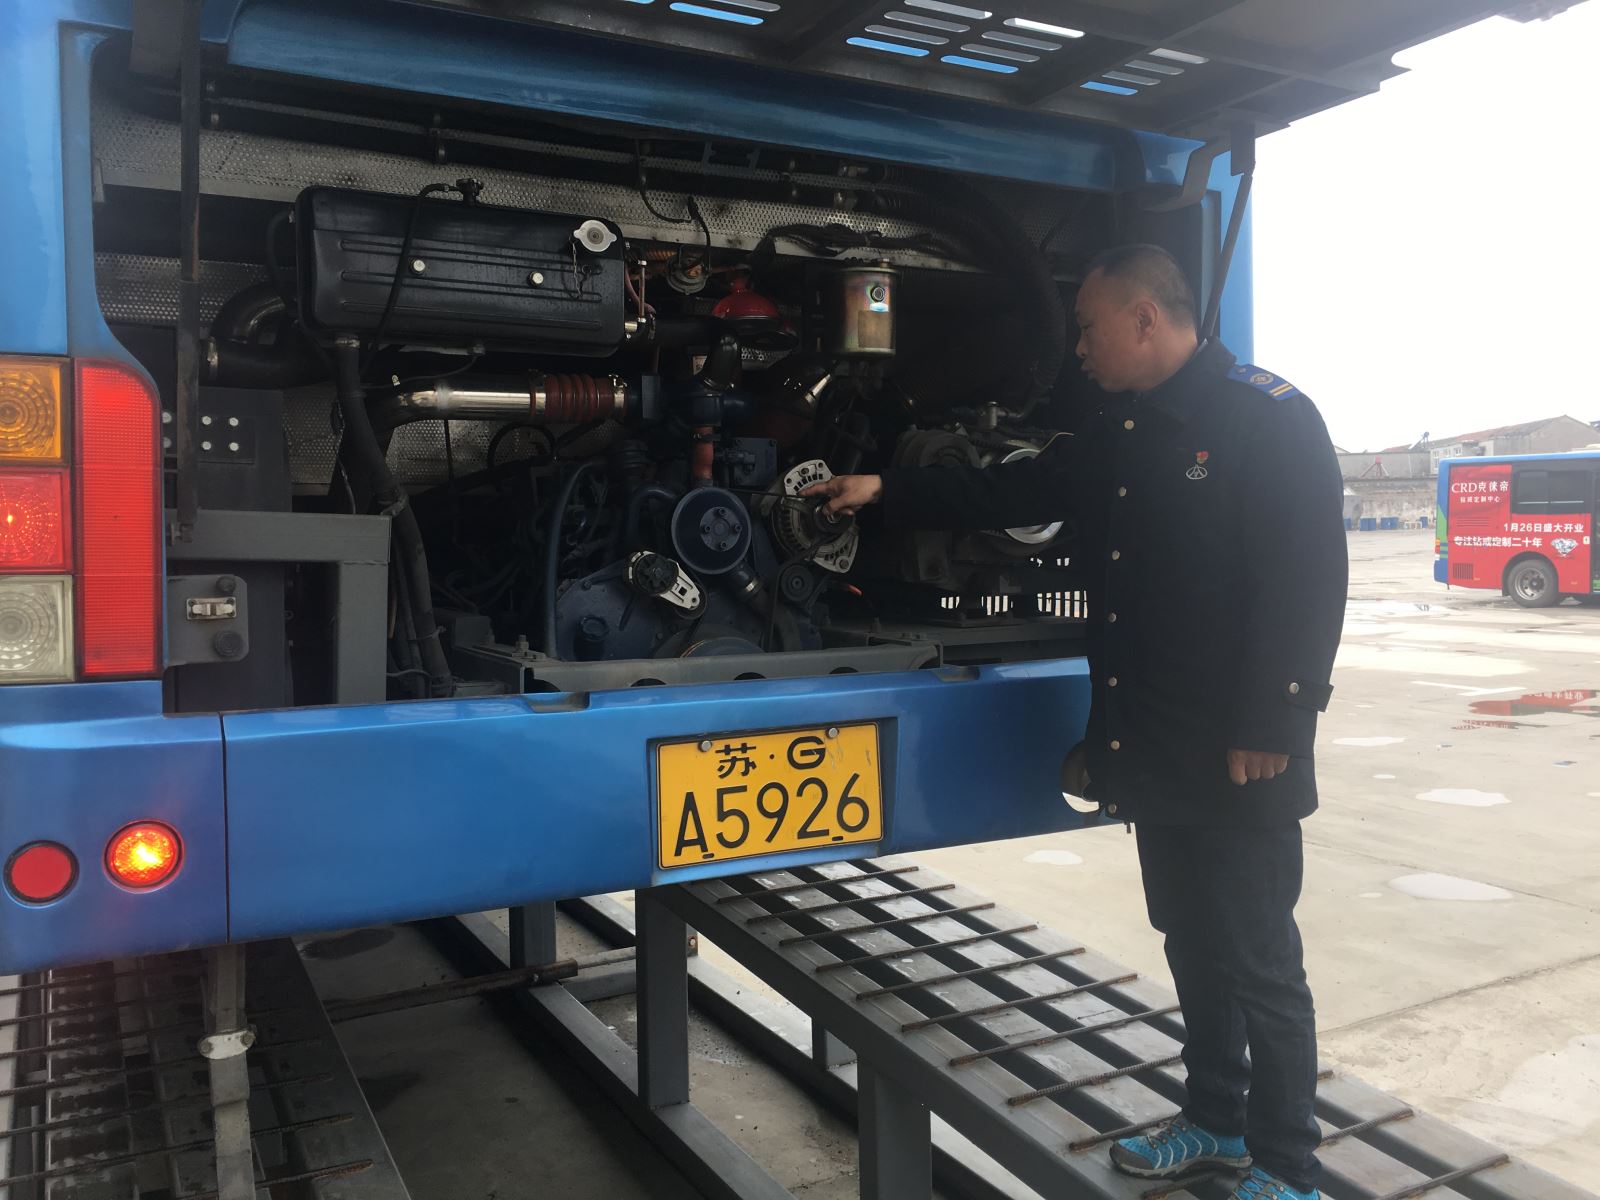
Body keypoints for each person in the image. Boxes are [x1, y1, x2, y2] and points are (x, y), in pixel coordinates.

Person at [804, 244, 1347, 1200]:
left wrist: (1277, 719)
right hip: (1156, 737)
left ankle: (1289, 1165)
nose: (1081, 349)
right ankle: (1217, 1119)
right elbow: (1015, 489)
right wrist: (885, 489)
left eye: (1090, 328)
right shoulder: (1123, 428)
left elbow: (1308, 580)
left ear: (1145, 318)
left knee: (1259, 958)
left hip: (1240, 748)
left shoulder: (1268, 418)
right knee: (1189, 937)